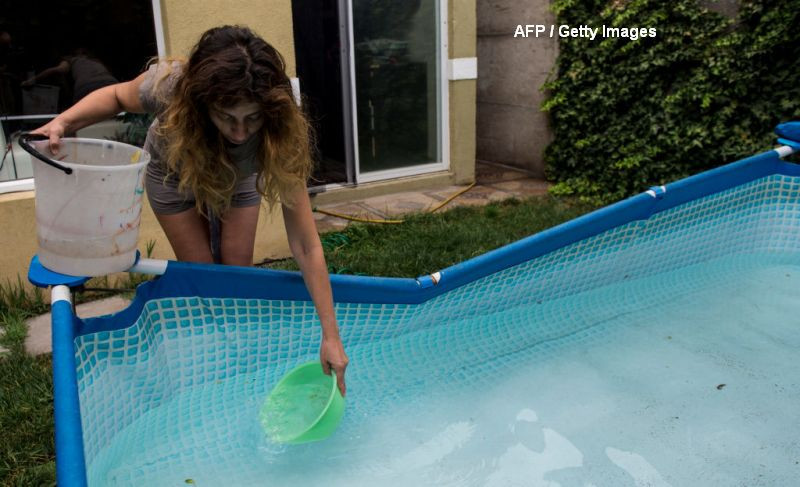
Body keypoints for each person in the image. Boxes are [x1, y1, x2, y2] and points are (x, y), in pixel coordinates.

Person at [30, 25, 349, 395]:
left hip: (238, 179)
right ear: (201, 101)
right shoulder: (171, 87)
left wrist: (331, 336)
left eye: (252, 118)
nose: (240, 133)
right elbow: (117, 96)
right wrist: (63, 122)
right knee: (203, 277)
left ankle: (239, 353)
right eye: (227, 116)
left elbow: (306, 245)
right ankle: (214, 358)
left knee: (237, 270)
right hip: (172, 174)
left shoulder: (280, 130)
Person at [22, 48, 119, 107]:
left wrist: (31, 81)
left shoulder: (72, 60)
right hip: (111, 84)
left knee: (76, 115)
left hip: (88, 86)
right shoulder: (96, 61)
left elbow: (56, 70)